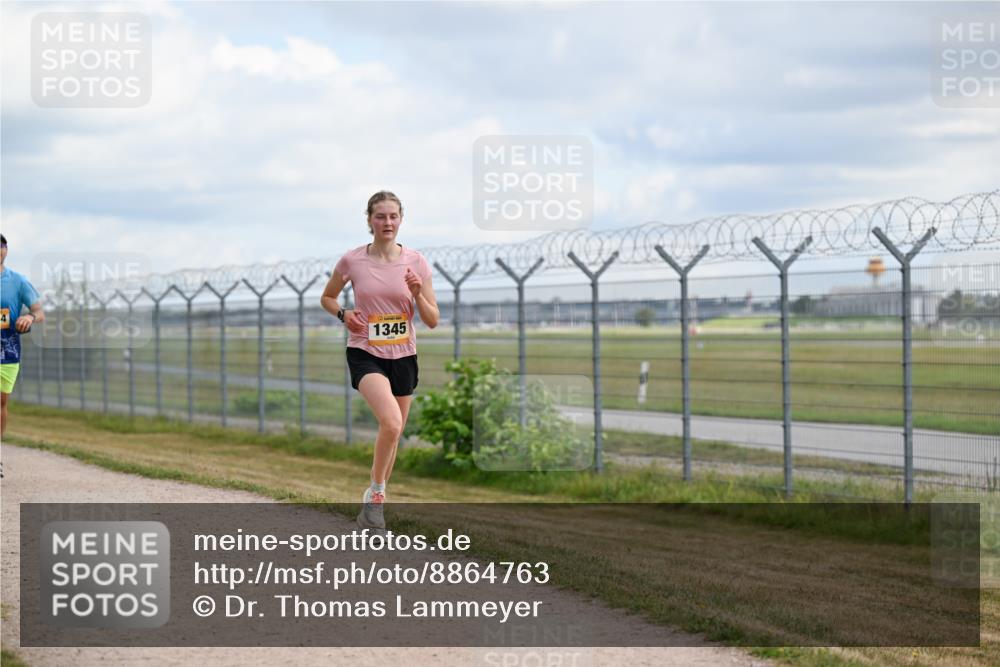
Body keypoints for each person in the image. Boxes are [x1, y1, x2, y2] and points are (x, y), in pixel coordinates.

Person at [321, 191, 439, 531]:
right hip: (364, 350)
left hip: (404, 354)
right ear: (369, 220)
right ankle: (376, 500)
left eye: (393, 216)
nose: (387, 223)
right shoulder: (352, 260)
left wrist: (417, 293)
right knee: (390, 423)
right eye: (380, 216)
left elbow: (432, 319)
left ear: (401, 219)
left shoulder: (416, 262)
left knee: (395, 432)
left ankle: (374, 497)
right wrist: (345, 314)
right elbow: (327, 297)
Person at [0, 233, 46, 478]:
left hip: (6, 350)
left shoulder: (17, 281)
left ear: (6, 250)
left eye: (1, 245)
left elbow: (39, 311)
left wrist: (29, 317)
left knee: (1, 402)